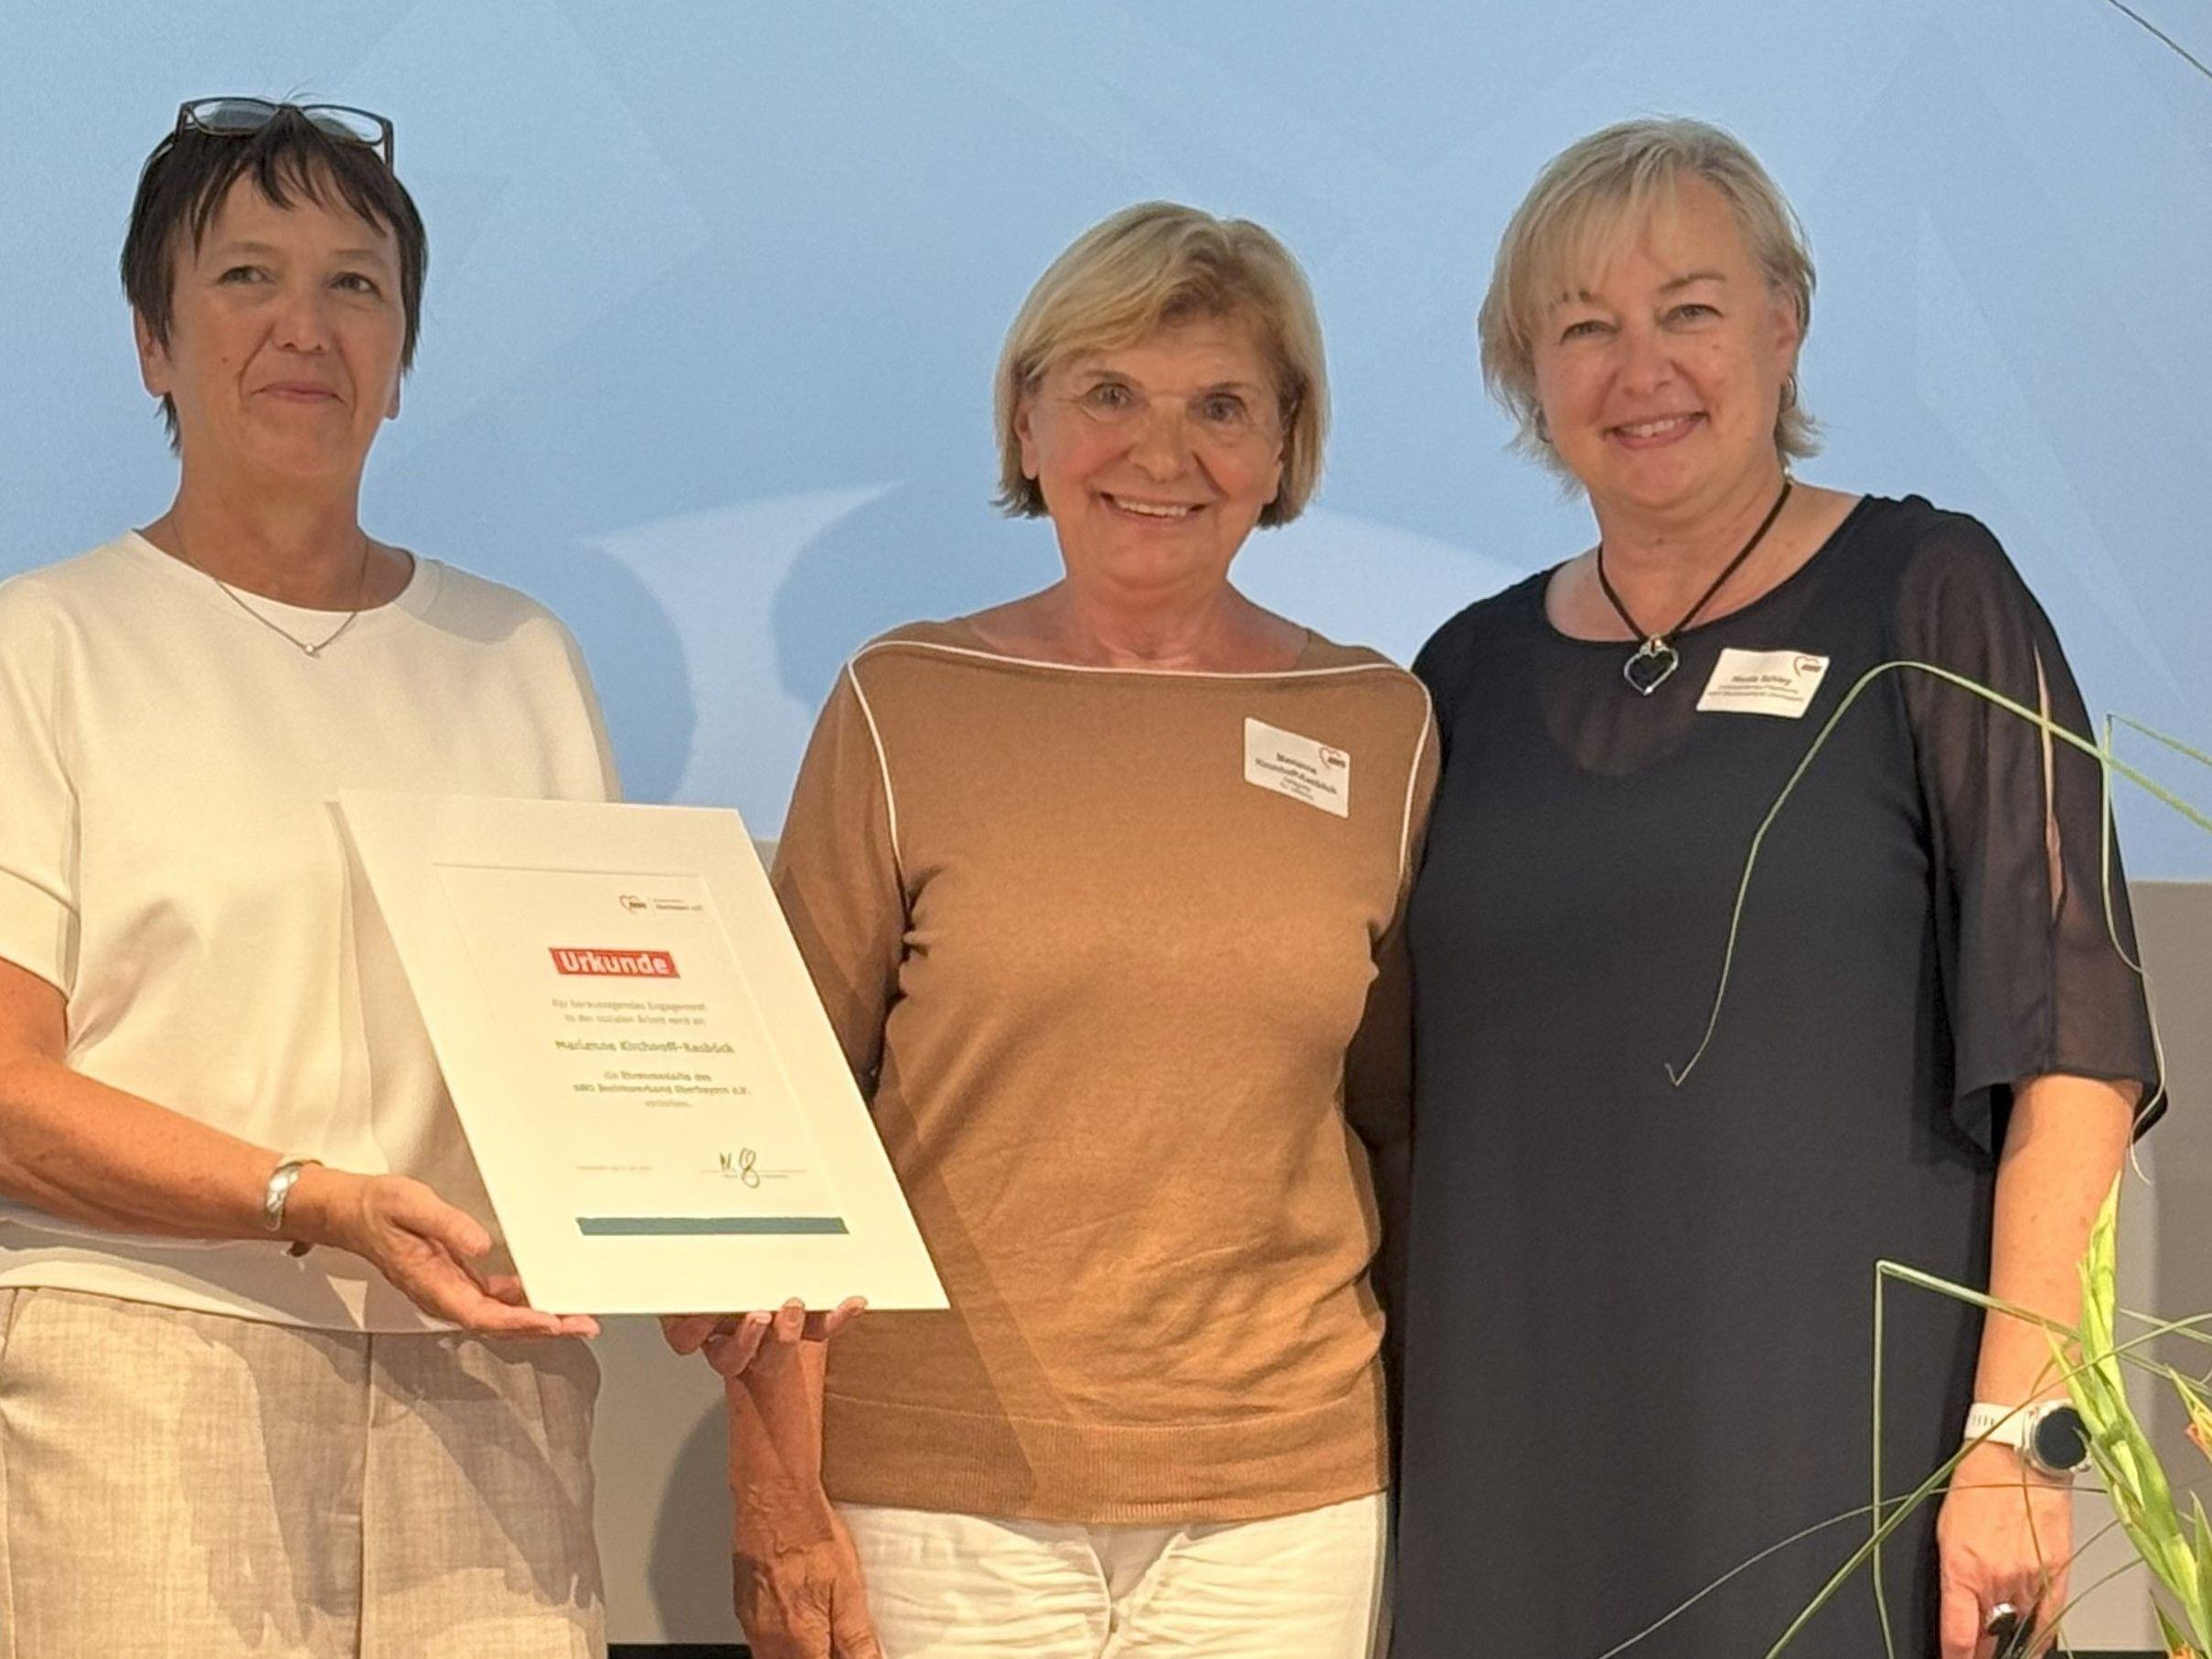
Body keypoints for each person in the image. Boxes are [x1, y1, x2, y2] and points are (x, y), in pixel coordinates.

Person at [1390, 117, 2160, 1659]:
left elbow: (2072, 1043)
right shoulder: (1461, 673)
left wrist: (2020, 1437)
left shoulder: (1931, 592)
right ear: (1526, 370)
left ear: (1784, 324)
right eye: (1584, 327)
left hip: (1841, 1467)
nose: (1642, 368)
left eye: (1689, 309)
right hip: (1506, 1465)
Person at [701, 201, 1435, 1659]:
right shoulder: (903, 703)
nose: (1162, 454)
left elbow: (1391, 1119)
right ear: (1026, 422)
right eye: (1109, 393)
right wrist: (775, 1496)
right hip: (939, 1497)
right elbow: (777, 1137)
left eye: (1220, 406)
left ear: (1285, 446)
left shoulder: (1382, 724)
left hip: (1283, 1502)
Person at [0, 101, 615, 1656]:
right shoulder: (42, 644)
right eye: (246, 276)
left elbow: (605, 1056)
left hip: (490, 1380)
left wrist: (715, 1235)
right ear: (152, 342)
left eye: (356, 285)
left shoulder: (520, 654)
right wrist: (307, 1198)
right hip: (149, 1360)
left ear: (399, 359)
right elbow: (6, 1086)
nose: (305, 326)